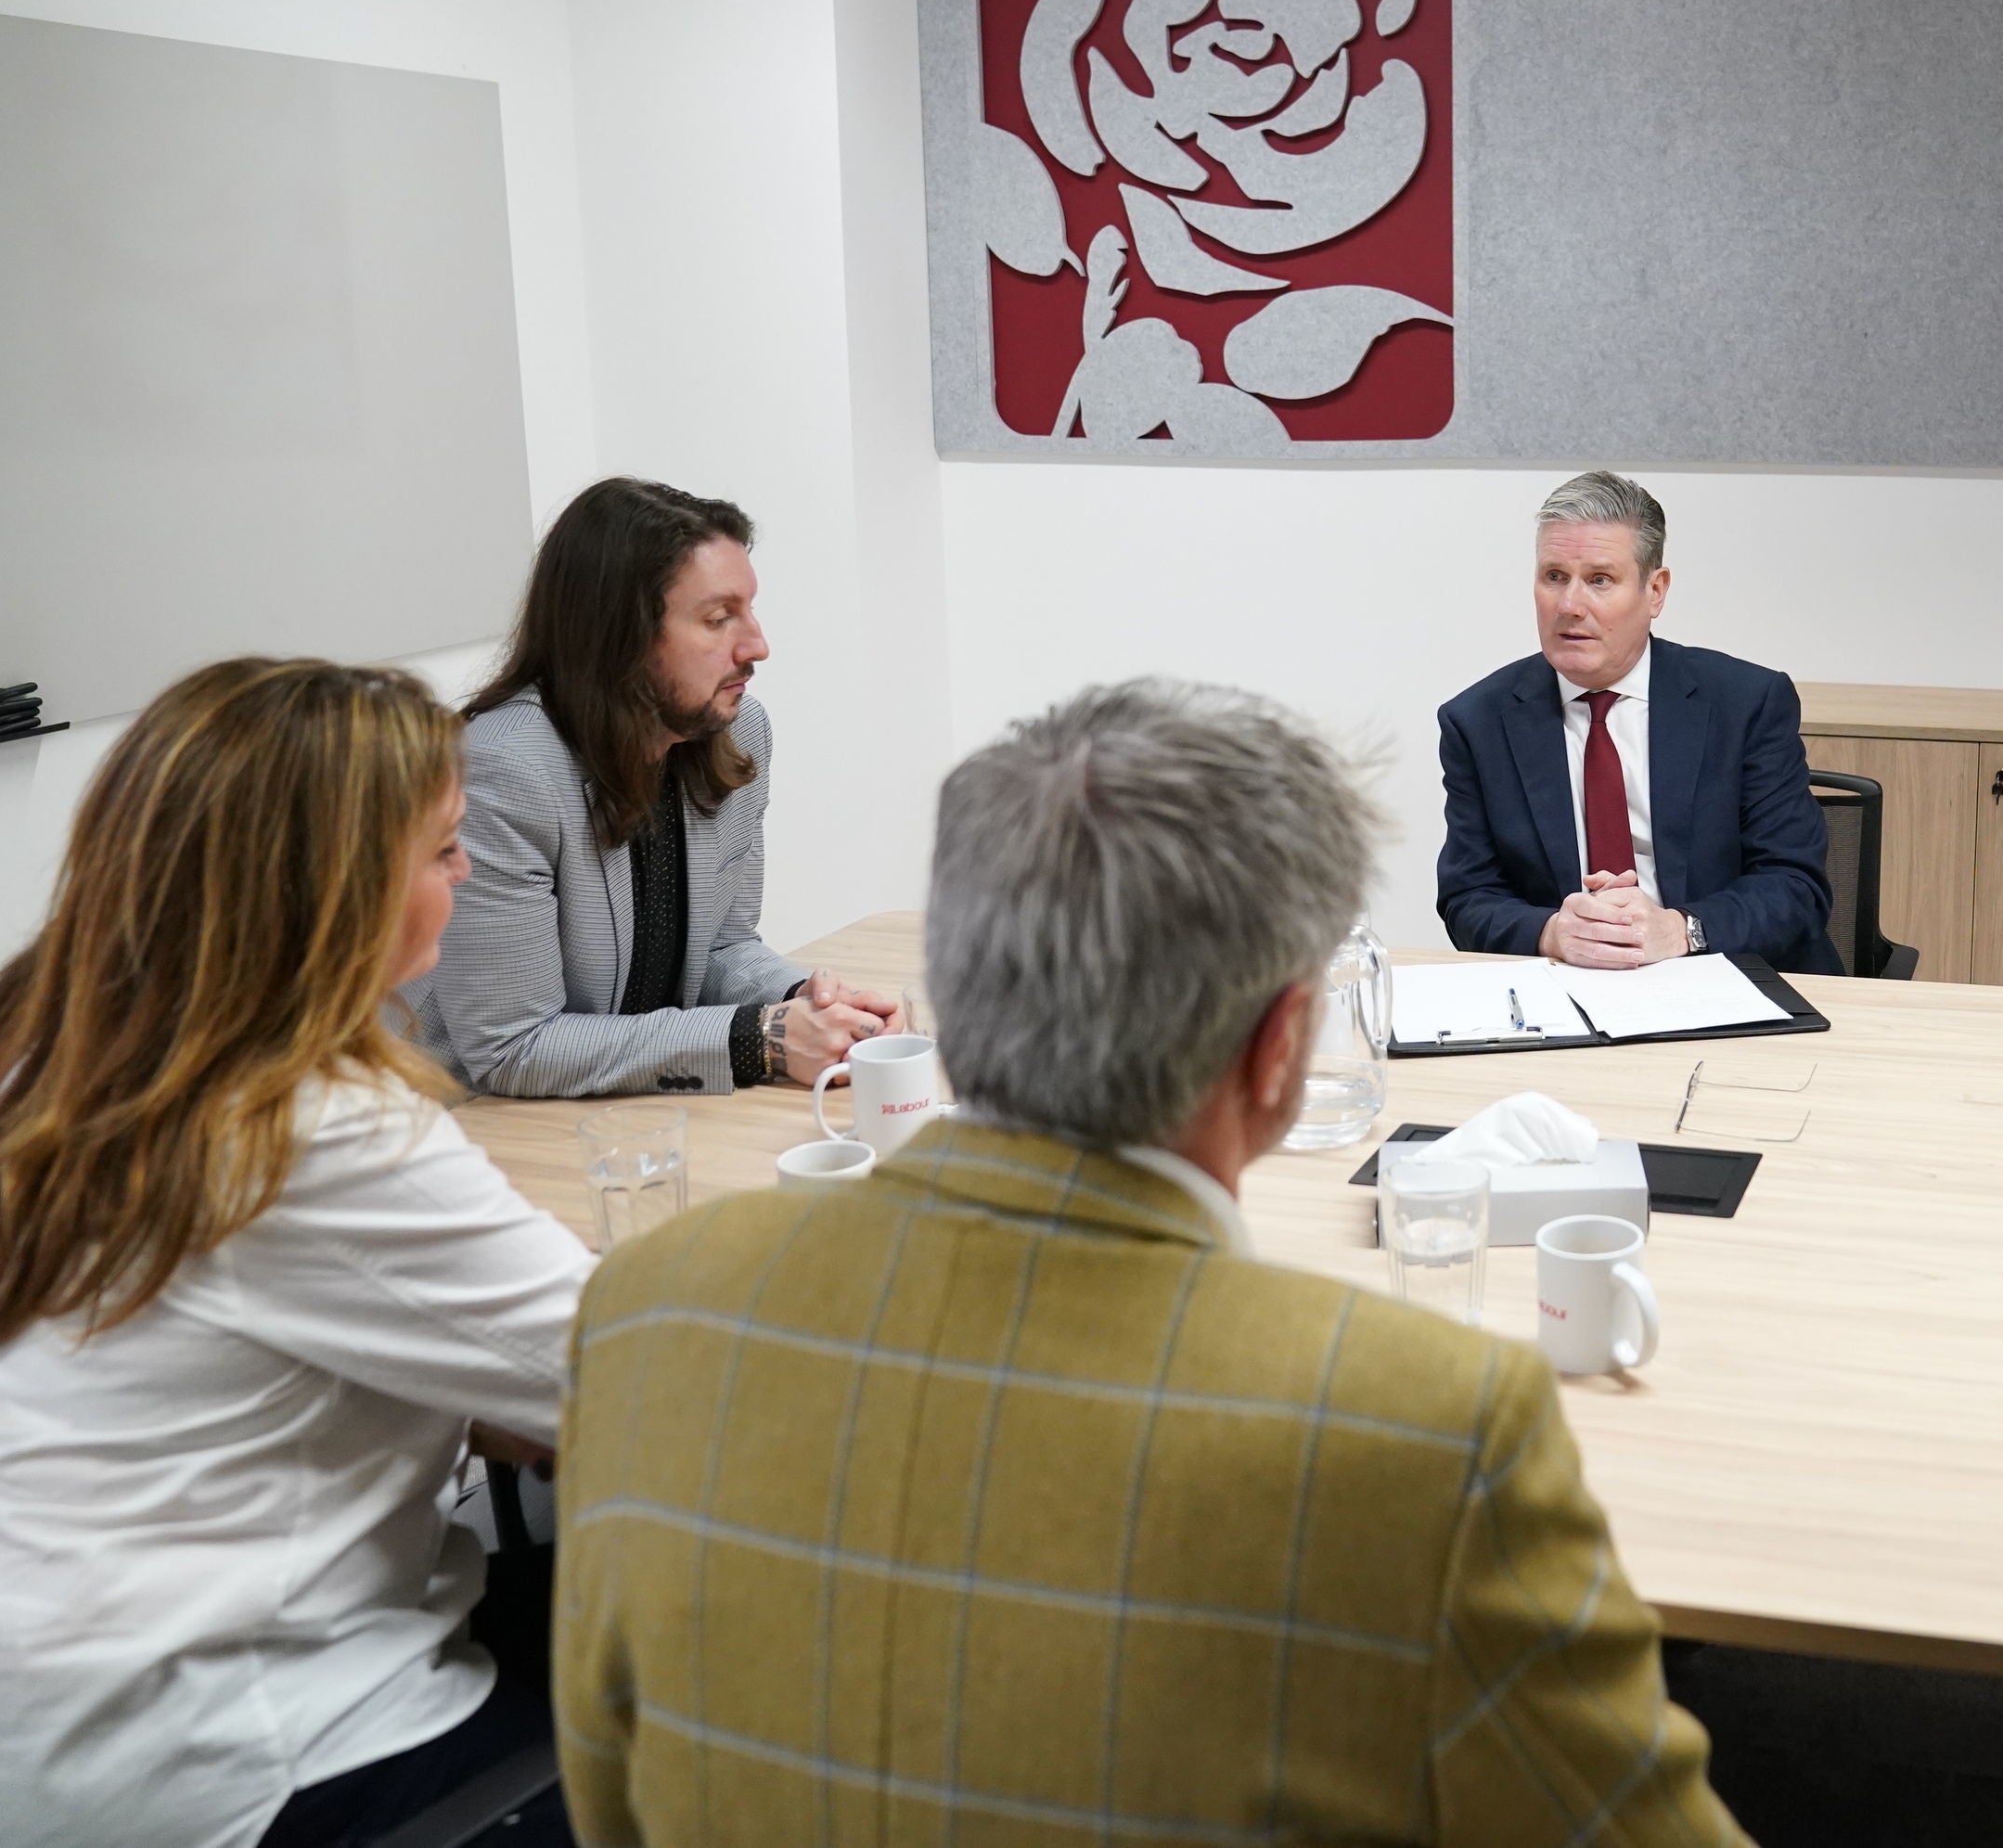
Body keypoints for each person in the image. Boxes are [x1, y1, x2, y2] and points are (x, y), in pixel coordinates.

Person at [551, 678, 1748, 1847]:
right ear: (1282, 1047)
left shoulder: (646, 1306)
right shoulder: (1427, 1427)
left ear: (954, 1001)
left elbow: (609, 1797)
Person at [0, 660, 597, 1848]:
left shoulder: (36, 1058)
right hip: (238, 1745)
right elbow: (637, 1377)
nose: (466, 874)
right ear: (329, 890)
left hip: (47, 1717)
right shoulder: (309, 1128)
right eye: (441, 850)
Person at [406, 477, 897, 1098]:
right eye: (719, 618)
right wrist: (761, 1038)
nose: (758, 645)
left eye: (749, 610)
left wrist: (815, 1005)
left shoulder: (740, 730)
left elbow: (722, 947)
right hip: (480, 1123)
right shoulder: (505, 770)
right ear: (622, 635)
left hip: (630, 1110)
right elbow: (512, 1047)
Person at [1435, 469, 1839, 975]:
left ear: (1655, 591)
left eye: (1599, 580)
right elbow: (1467, 897)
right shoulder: (1479, 721)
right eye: (1554, 577)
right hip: (1571, 987)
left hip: (1728, 976)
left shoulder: (1745, 703)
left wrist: (1682, 930)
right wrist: (1551, 933)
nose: (1569, 605)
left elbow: (1794, 886)